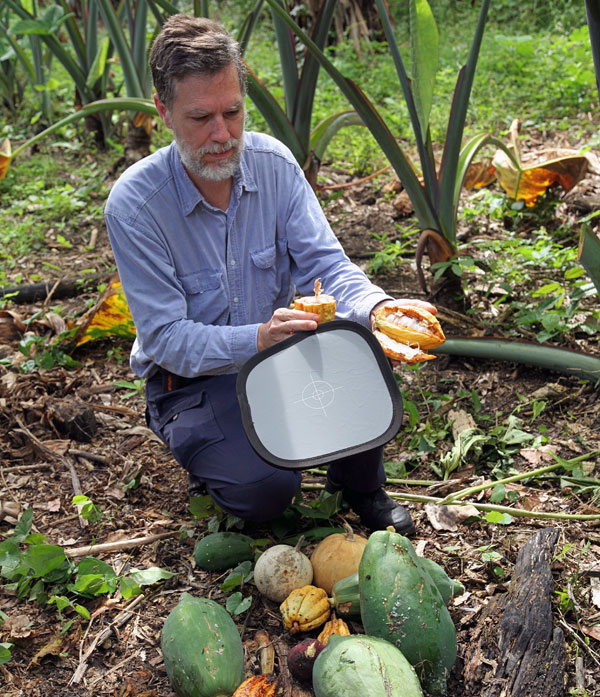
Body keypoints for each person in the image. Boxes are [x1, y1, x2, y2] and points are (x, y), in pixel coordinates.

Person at [105, 14, 437, 536]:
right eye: (201, 119)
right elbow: (167, 339)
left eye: (233, 112)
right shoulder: (136, 205)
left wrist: (378, 308)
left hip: (281, 361)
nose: (222, 135)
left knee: (363, 355)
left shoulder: (274, 165)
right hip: (190, 382)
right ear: (163, 112)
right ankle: (210, 458)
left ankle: (360, 486)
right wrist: (257, 338)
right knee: (265, 491)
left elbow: (327, 266)